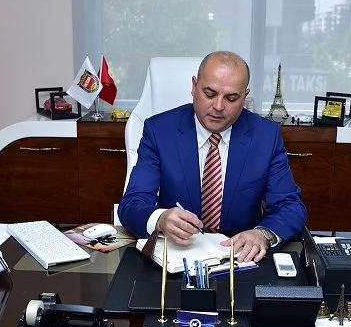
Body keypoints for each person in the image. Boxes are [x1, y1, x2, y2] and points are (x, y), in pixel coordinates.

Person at [118, 51, 307, 262]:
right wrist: (160, 219)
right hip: (177, 257)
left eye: (231, 98)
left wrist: (262, 234)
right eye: (209, 94)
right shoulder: (160, 131)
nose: (218, 107)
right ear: (194, 86)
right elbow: (132, 204)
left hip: (239, 259)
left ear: (245, 96)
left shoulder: (265, 136)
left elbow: (290, 206)